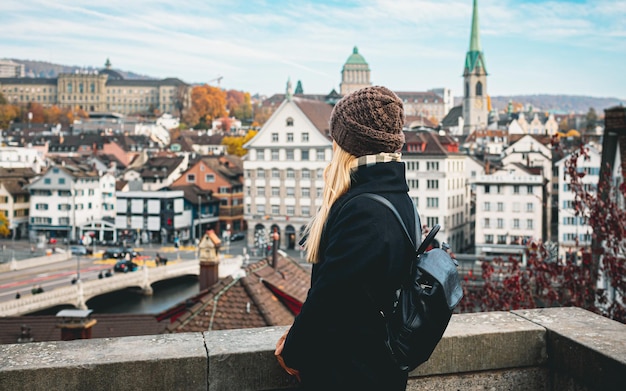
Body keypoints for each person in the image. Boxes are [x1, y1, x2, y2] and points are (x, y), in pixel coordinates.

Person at [275, 86, 416, 390]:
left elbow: (331, 297)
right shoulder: (396, 196)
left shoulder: (363, 209)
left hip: (351, 373)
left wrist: (294, 349)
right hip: (376, 368)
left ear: (347, 142)